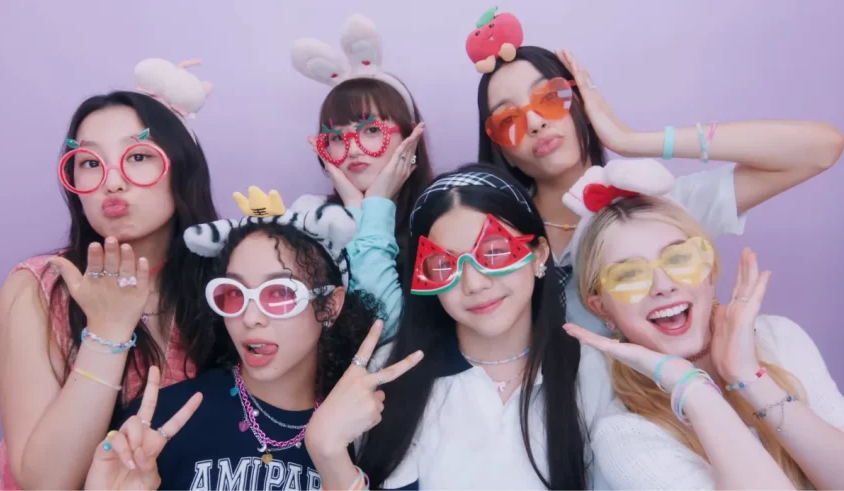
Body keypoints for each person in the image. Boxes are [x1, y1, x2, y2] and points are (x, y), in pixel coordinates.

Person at [471, 9, 844, 335]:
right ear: (503, 151)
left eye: (550, 98)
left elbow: (819, 149)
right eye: (508, 120)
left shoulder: (660, 205)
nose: (534, 121)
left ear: (583, 103)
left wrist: (629, 139)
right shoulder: (494, 239)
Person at [301, 164, 614, 490]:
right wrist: (327, 453)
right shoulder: (390, 373)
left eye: (494, 252)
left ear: (538, 255)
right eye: (443, 264)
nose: (474, 283)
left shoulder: (588, 368)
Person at [0, 58, 218, 490]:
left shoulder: (228, 282)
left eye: (138, 155)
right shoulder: (39, 287)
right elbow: (46, 482)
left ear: (182, 165)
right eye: (90, 162)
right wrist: (108, 334)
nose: (112, 182)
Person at [562, 159, 844, 490]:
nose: (663, 285)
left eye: (679, 259)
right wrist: (693, 389)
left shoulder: (778, 337)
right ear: (601, 308)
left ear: (709, 269)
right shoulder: (626, 433)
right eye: (629, 275)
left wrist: (748, 377)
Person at [82, 188, 387, 490]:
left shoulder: (364, 428)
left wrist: (331, 457)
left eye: (280, 293)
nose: (250, 317)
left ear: (329, 305)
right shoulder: (157, 426)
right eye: (234, 294)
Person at [290, 14, 433, 342]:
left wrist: (376, 207)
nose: (352, 150)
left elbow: (380, 325)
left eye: (371, 131)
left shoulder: (441, 214)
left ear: (411, 137)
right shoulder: (310, 218)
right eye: (336, 137)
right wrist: (360, 209)